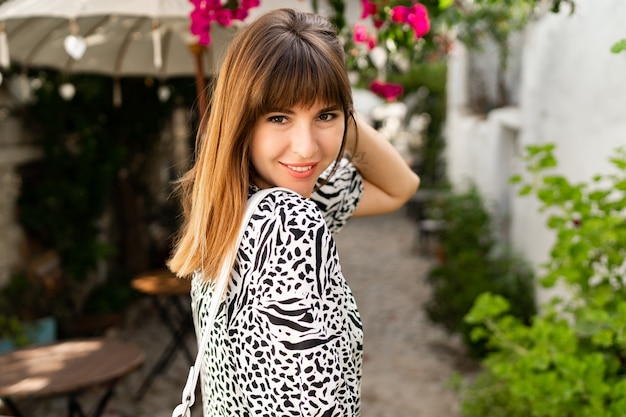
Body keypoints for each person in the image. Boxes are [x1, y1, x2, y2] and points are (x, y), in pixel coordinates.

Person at [167, 8, 420, 417]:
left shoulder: (233, 201)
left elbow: (400, 188)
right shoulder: (289, 221)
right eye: (279, 117)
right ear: (242, 120)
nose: (305, 148)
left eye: (325, 116)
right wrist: (330, 112)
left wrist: (336, 111)